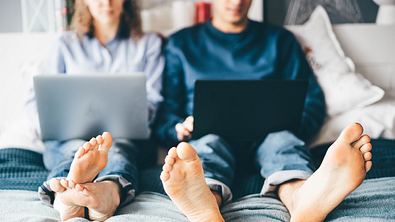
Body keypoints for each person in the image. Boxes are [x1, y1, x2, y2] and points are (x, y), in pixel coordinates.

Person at [154, 0, 373, 221]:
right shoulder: (181, 44)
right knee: (207, 148)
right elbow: (165, 117)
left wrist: (291, 124)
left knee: (283, 145)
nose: (237, 2)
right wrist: (181, 129)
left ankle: (302, 196)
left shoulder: (280, 40)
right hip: (208, 134)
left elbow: (311, 101)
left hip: (271, 134)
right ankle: (205, 200)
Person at [26, 0, 164, 220]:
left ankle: (105, 191)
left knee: (116, 149)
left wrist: (130, 117)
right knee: (75, 150)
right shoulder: (65, 44)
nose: (106, 3)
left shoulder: (149, 44)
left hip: (125, 137)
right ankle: (69, 191)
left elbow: (153, 101)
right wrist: (49, 125)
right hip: (69, 136)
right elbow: (36, 100)